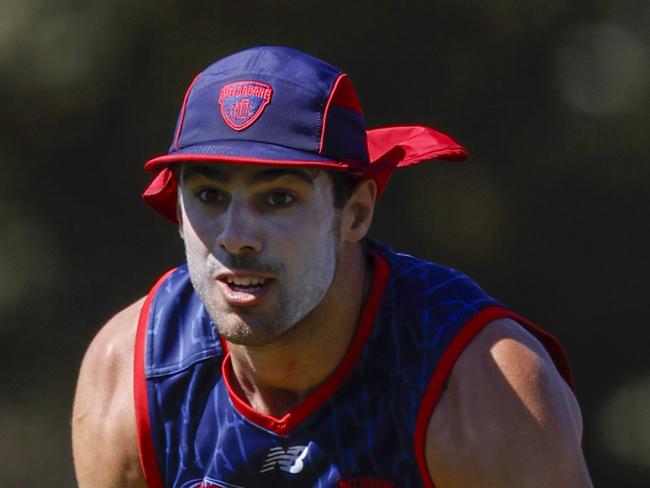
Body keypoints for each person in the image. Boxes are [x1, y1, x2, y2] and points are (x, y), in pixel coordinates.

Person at [72, 46, 593, 488]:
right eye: (209, 195)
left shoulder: (483, 387)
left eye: (278, 198)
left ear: (356, 212)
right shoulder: (132, 378)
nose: (236, 237)